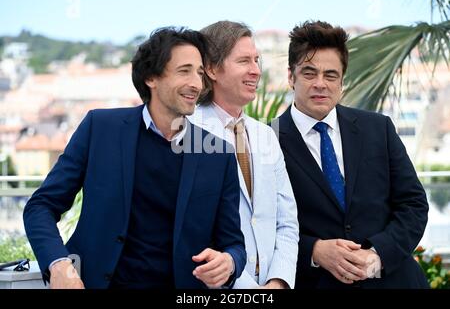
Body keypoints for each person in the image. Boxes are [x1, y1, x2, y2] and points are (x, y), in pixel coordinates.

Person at [23, 27, 246, 289]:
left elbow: (234, 244)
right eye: (184, 71)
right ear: (152, 77)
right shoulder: (100, 128)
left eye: (199, 73)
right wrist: (59, 264)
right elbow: (41, 207)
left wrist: (229, 262)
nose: (196, 84)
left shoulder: (219, 154)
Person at [272, 20, 429, 288]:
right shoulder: (266, 140)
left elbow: (413, 204)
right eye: (309, 73)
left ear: (342, 80)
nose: (320, 84)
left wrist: (378, 254)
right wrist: (314, 251)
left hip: (394, 280)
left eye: (330, 75)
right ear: (291, 76)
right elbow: (260, 226)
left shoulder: (378, 128)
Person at [189, 21, 299, 289]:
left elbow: (287, 221)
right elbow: (192, 230)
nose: (255, 71)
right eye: (244, 61)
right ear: (212, 69)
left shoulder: (266, 136)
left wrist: (279, 282)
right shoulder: (188, 135)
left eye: (257, 60)